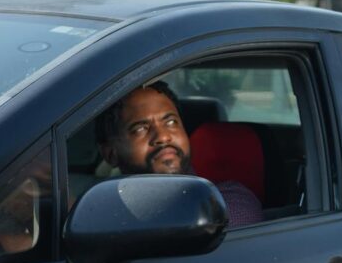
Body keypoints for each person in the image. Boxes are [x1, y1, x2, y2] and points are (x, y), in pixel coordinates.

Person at [95, 81, 264, 227]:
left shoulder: (231, 200)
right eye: (140, 129)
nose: (162, 136)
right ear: (110, 154)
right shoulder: (101, 211)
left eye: (170, 122)